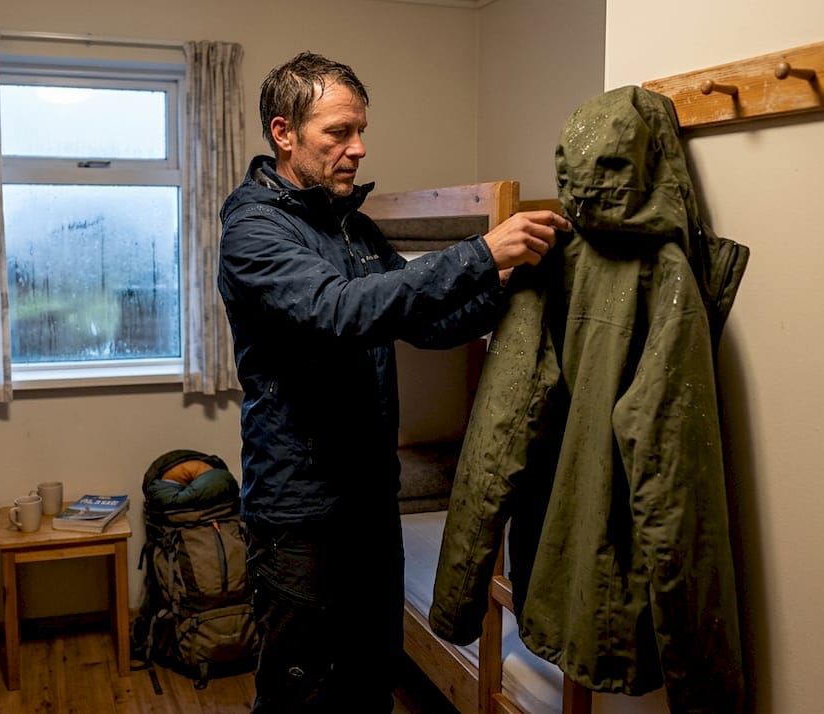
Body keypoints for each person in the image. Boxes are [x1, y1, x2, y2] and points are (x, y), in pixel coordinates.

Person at [217, 51, 569, 713]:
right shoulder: (254, 232)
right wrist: (478, 253)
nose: (359, 149)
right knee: (305, 697)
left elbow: (425, 324)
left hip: (369, 504)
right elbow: (341, 312)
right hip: (300, 519)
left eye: (361, 131)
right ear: (283, 133)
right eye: (339, 133)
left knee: (368, 683)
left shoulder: (352, 226)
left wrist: (508, 285)